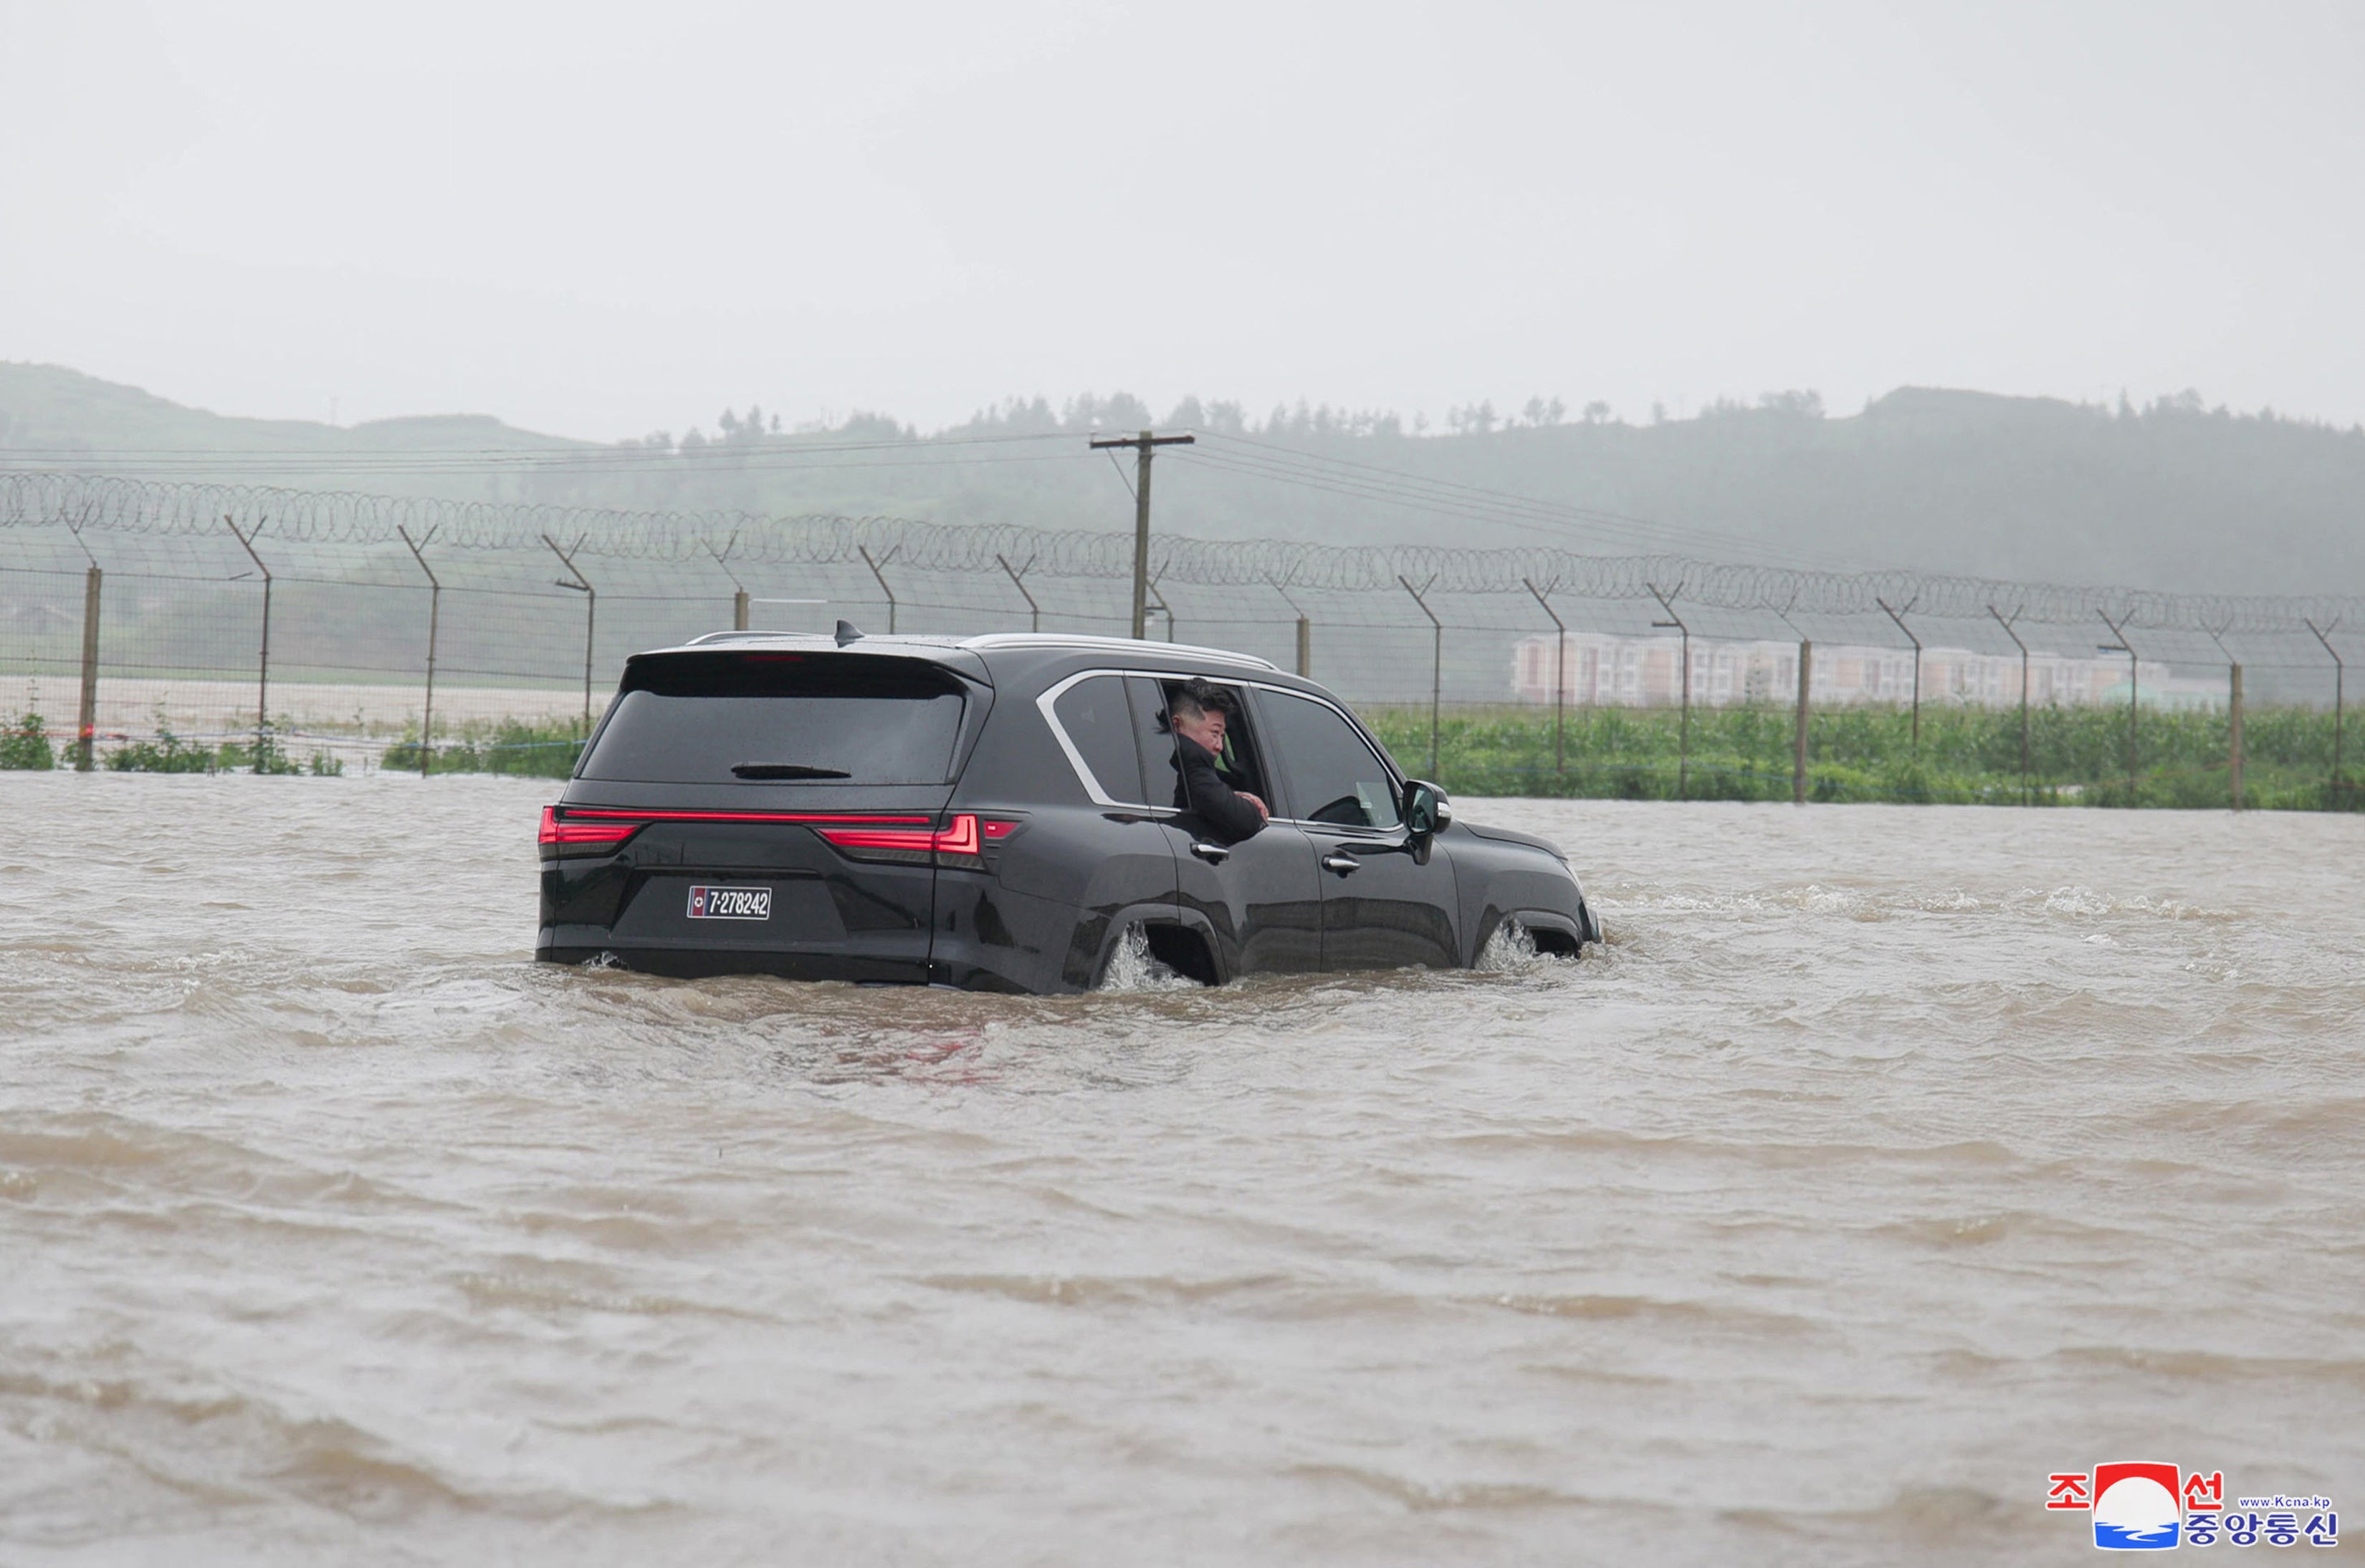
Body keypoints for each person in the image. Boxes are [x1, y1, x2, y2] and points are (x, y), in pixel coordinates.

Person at [1165, 678, 1268, 842]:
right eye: (1215, 733)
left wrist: (1231, 796)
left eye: (1222, 736)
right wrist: (1251, 808)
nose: (1220, 746)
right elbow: (1243, 822)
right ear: (1177, 726)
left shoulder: (1167, 762)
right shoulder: (1192, 758)